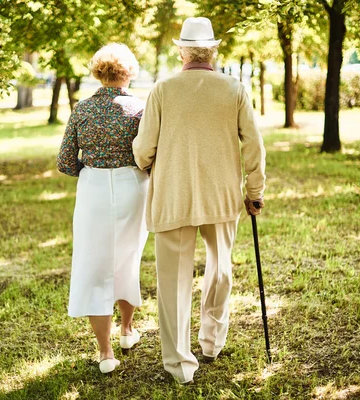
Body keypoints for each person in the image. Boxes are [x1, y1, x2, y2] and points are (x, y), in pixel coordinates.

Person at [132, 17, 266, 384]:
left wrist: (143, 161)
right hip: (220, 196)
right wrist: (254, 192)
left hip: (174, 194)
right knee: (220, 269)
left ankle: (179, 365)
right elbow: (254, 145)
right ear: (213, 50)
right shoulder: (234, 89)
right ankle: (211, 342)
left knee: (173, 281)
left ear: (181, 51)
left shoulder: (162, 89)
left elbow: (144, 149)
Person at [56, 43, 148, 374]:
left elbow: (65, 161)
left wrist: (92, 171)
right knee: (127, 257)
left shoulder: (81, 110)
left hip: (93, 190)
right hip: (132, 188)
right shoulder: (139, 109)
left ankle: (105, 352)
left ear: (98, 71)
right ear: (129, 72)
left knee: (95, 264)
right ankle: (126, 331)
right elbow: (149, 155)